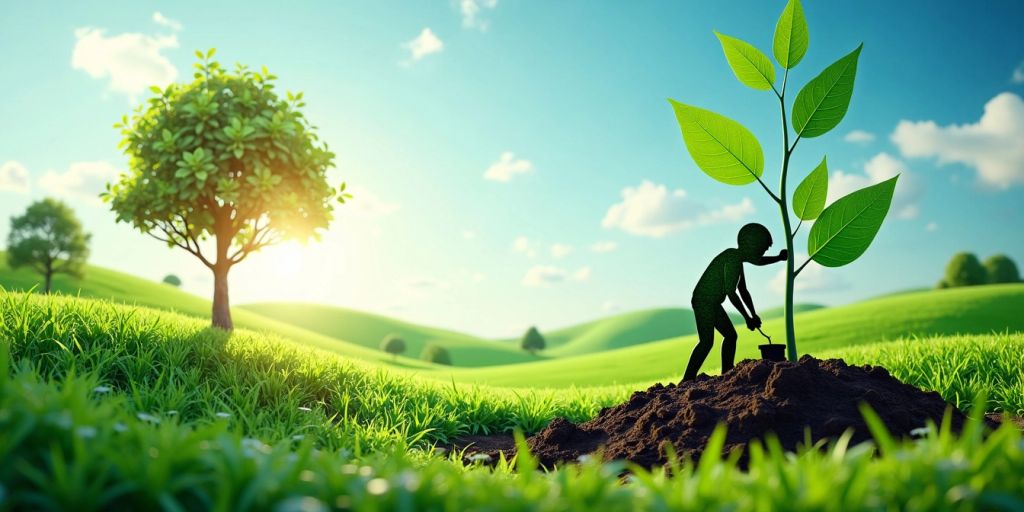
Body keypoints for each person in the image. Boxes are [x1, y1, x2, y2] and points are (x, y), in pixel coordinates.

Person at [683, 223, 787, 381]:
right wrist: (747, 318)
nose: (764, 252)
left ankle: (727, 372)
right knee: (707, 342)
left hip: (712, 302)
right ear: (752, 245)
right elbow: (731, 292)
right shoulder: (732, 258)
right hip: (704, 301)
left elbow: (743, 290)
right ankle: (688, 378)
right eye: (763, 248)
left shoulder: (737, 260)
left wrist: (753, 314)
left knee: (730, 336)